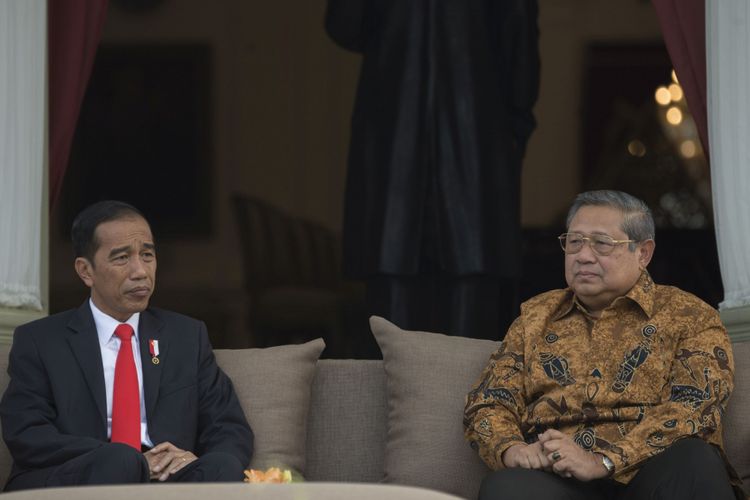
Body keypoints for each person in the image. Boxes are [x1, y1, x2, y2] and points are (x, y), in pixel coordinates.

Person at [464, 190, 741, 499]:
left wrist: (604, 461)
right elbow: (489, 401)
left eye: (601, 243)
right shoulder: (535, 317)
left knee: (695, 459)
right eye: (575, 241)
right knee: (506, 487)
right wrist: (511, 449)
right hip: (560, 478)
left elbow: (694, 406)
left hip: (651, 474)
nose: (583, 255)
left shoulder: (689, 315)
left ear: (643, 253)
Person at [325, 0, 540, 342]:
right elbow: (520, 48)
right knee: (469, 345)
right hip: (473, 145)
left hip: (397, 148)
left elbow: (345, 26)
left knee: (394, 346)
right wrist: (513, 128)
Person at [0, 201, 252, 490]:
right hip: (79, 477)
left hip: (166, 480)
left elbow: (228, 425)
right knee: (120, 461)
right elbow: (27, 432)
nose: (140, 271)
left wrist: (188, 458)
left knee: (223, 466)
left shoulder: (185, 336)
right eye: (122, 258)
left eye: (147, 255)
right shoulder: (41, 340)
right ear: (86, 271)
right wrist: (130, 461)